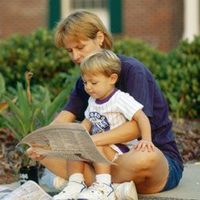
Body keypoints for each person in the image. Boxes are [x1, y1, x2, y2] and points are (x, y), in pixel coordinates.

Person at [27, 9, 183, 197]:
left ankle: (85, 182)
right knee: (44, 153)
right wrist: (42, 142)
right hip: (103, 159)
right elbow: (63, 120)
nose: (75, 56)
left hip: (151, 158)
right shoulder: (84, 83)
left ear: (99, 38)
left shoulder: (132, 70)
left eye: (80, 47)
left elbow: (137, 129)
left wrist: (89, 142)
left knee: (145, 158)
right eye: (70, 51)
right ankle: (111, 188)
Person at [53, 49, 155, 200]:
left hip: (119, 148)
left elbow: (141, 117)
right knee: (76, 147)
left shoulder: (120, 98)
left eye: (93, 82)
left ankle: (104, 187)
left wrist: (147, 139)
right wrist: (77, 136)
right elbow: (88, 121)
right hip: (98, 146)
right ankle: (75, 184)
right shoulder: (93, 100)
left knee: (98, 144)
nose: (88, 87)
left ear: (112, 78)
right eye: (85, 82)